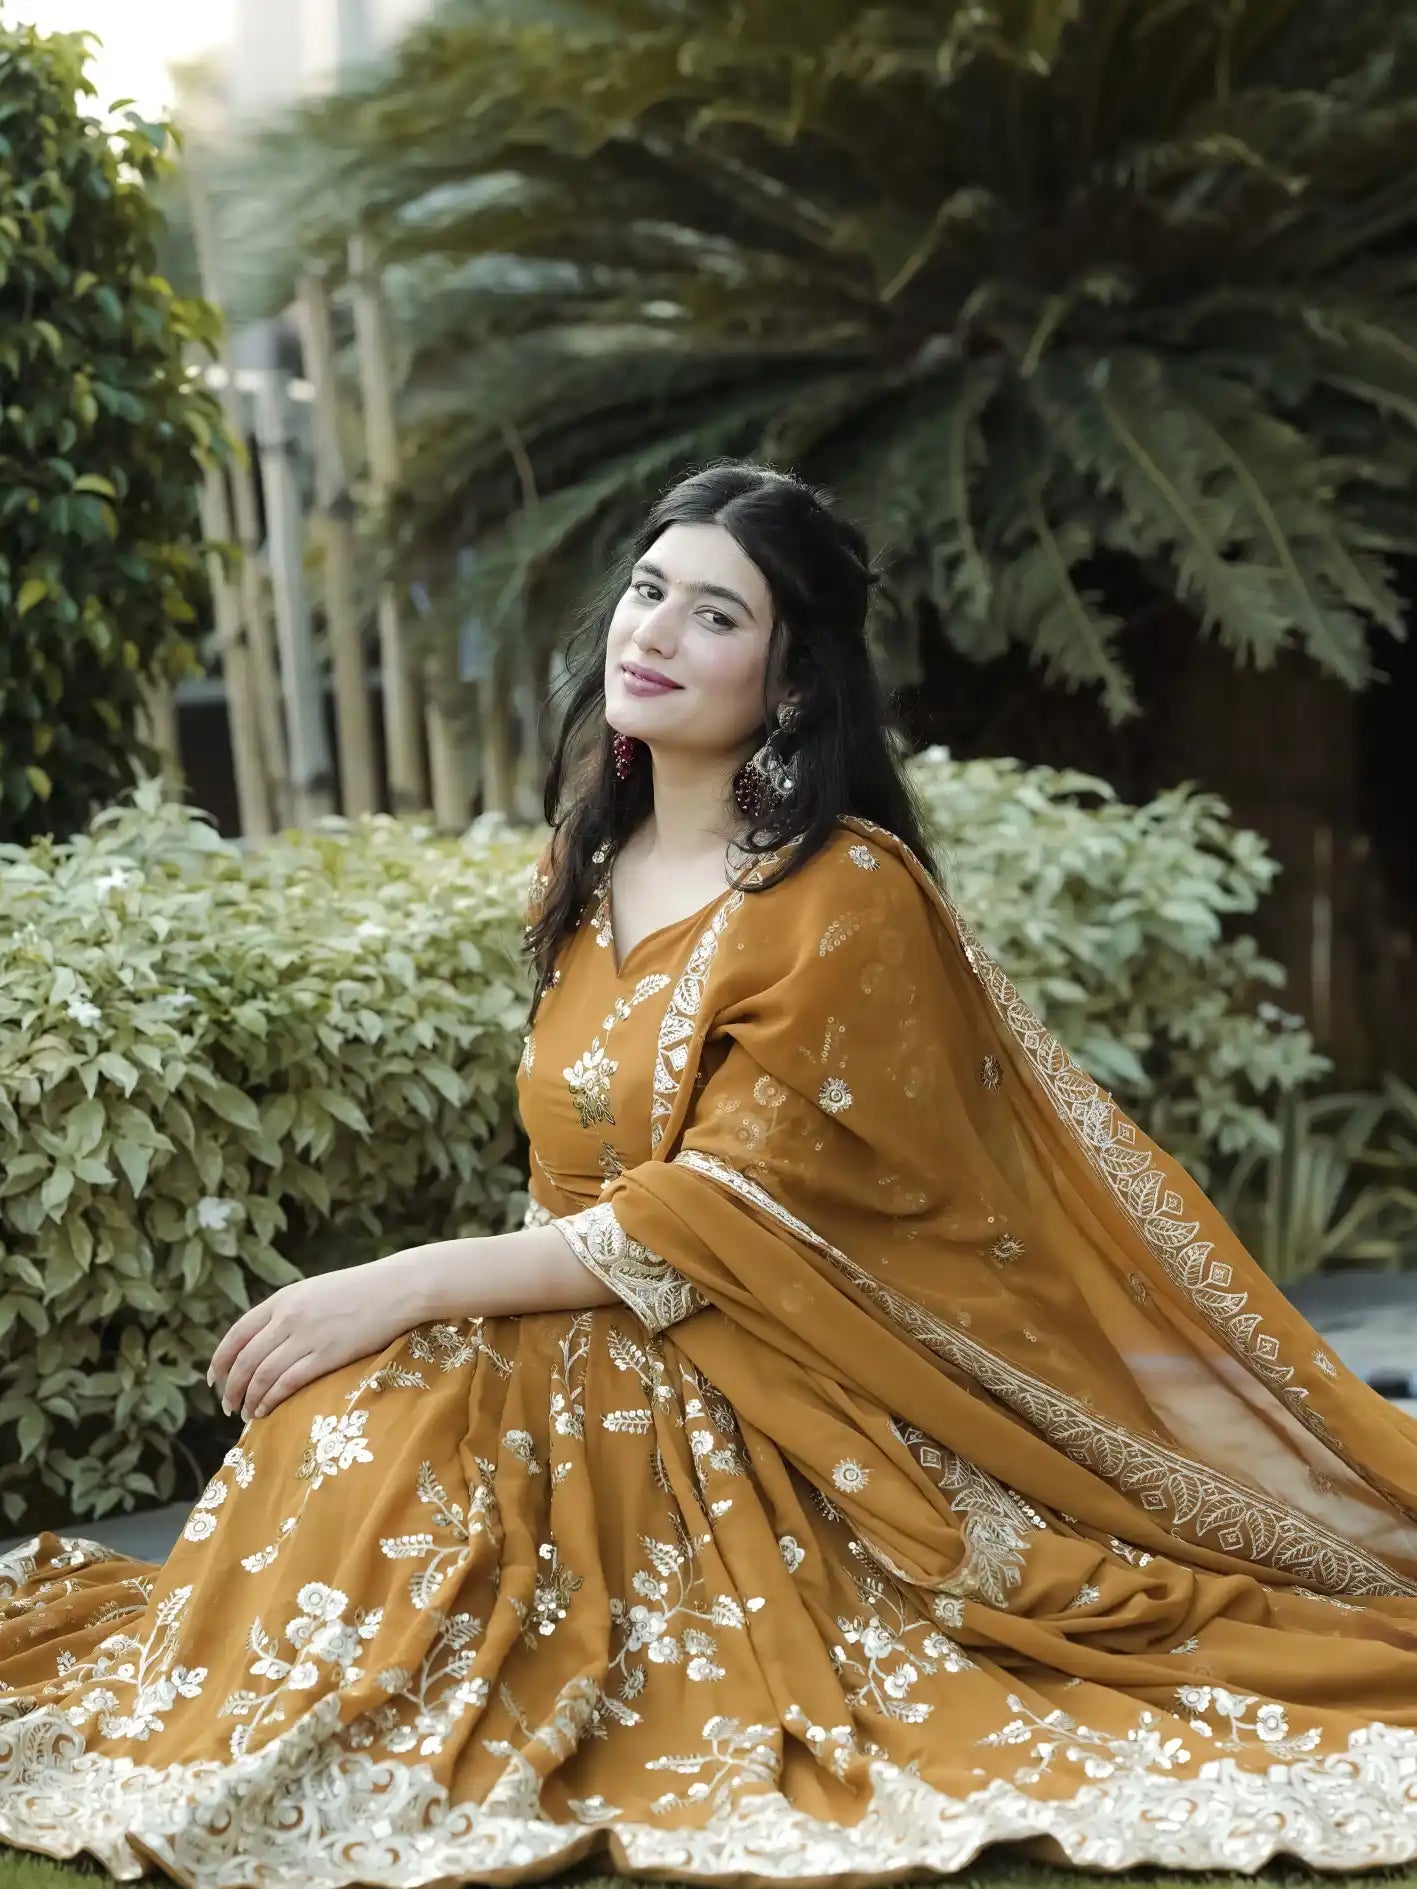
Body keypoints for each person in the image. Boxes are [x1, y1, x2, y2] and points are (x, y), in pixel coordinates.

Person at [3, 461, 1417, 1887]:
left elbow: (707, 1219)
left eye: (716, 614)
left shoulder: (842, 892)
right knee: (351, 1414)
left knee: (382, 1399)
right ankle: (286, 1710)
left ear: (793, 681)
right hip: (572, 1330)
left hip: (755, 1384)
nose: (655, 632)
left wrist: (397, 1283)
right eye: (646, 589)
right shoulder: (581, 865)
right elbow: (576, 1191)